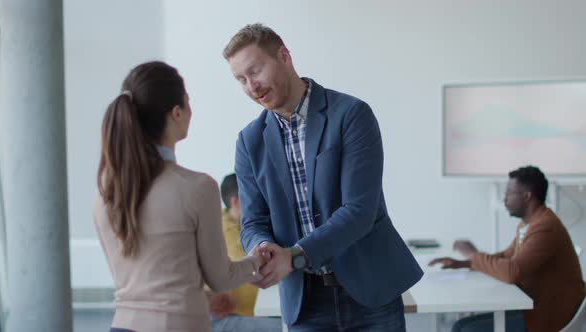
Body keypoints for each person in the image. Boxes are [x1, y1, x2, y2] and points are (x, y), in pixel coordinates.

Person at [223, 23, 423, 331]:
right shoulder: (250, 141)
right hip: (305, 303)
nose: (252, 86)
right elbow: (252, 222)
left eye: (256, 71)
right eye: (241, 79)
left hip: (371, 293)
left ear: (284, 56)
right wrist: (262, 248)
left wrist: (294, 255)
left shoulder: (351, 115)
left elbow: (359, 211)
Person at [93, 61, 265, 332]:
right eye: (188, 101)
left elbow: (141, 281)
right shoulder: (196, 187)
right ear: (176, 113)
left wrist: (204, 297)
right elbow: (221, 277)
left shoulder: (106, 193)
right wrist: (259, 260)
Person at [430, 166, 585, 332]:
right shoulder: (528, 224)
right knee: (462, 325)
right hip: (535, 309)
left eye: (508, 194)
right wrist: (465, 263)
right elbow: (505, 257)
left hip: (549, 318)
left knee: (465, 328)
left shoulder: (545, 227)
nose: (504, 199)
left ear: (527, 196)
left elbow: (511, 272)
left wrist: (473, 254)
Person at [209, 173, 282, 331]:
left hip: (245, 310)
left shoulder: (235, 222)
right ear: (236, 202)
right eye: (253, 198)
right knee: (289, 327)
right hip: (226, 316)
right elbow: (255, 264)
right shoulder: (223, 229)